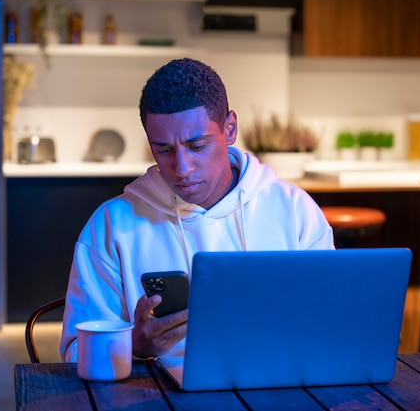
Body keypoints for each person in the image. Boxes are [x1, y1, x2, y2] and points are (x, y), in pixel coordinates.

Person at [60, 58, 335, 362]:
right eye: (163, 150)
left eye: (196, 145)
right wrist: (133, 347)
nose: (181, 168)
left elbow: (330, 327)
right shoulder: (112, 225)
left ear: (229, 129)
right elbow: (75, 353)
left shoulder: (295, 211)